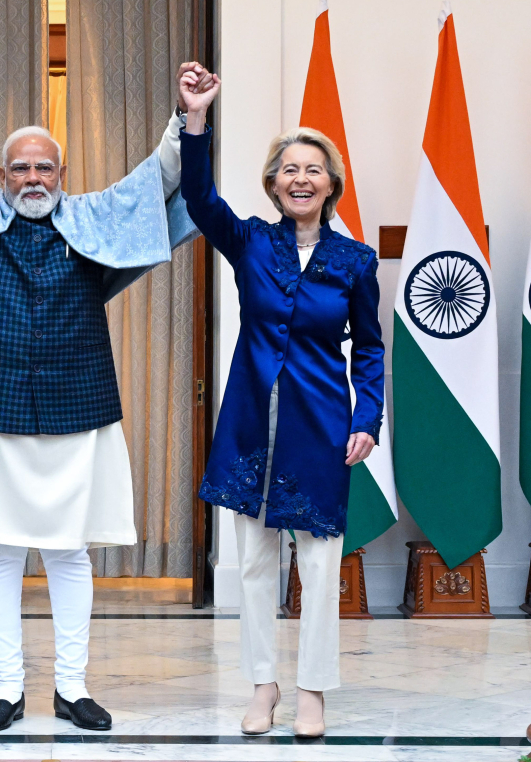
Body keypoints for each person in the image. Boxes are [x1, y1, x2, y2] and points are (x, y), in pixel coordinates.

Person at [0, 63, 213, 732]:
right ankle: (6, 690)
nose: (33, 179)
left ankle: (72, 689)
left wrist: (188, 117)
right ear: (3, 175)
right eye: (20, 169)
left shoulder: (95, 219)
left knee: (71, 553)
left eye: (45, 168)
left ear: (61, 175)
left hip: (77, 410)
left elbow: (156, 179)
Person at [178, 74, 384, 738]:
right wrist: (196, 120)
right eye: (289, 169)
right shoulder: (251, 243)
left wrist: (366, 418)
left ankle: (312, 690)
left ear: (331, 184)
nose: (301, 178)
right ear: (273, 183)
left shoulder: (354, 260)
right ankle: (263, 687)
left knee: (321, 566)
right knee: (257, 563)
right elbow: (198, 198)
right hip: (249, 427)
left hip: (321, 427)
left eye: (313, 170)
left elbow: (371, 351)